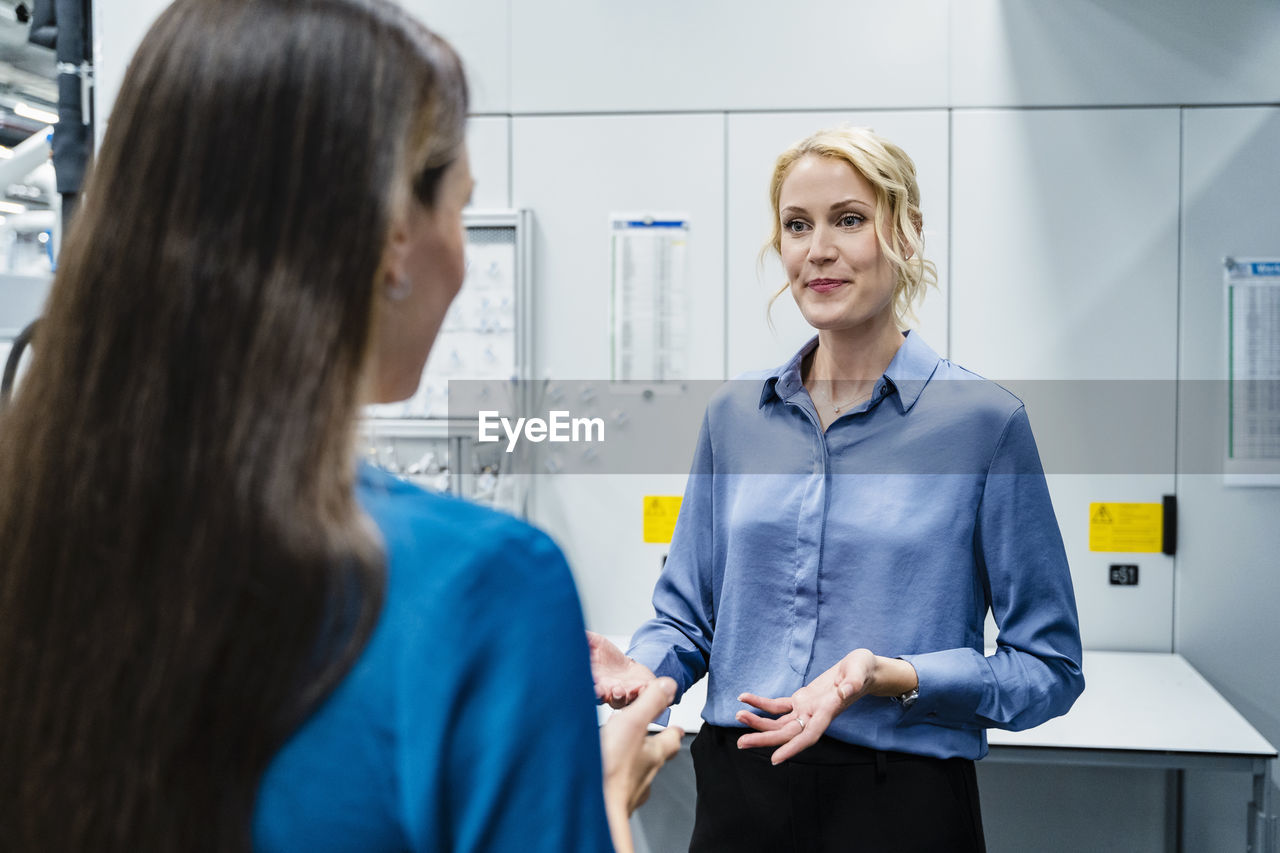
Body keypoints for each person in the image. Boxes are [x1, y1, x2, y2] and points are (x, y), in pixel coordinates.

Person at [0, 0, 679, 851]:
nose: (463, 260)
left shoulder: (39, 546)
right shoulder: (487, 585)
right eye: (459, 208)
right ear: (395, 232)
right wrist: (606, 795)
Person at [589, 126, 1085, 852]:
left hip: (900, 801)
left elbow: (1049, 667)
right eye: (797, 225)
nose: (817, 249)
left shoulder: (985, 424)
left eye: (848, 219)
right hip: (739, 794)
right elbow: (686, 619)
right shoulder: (734, 418)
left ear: (907, 234)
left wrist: (894, 674)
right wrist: (646, 671)